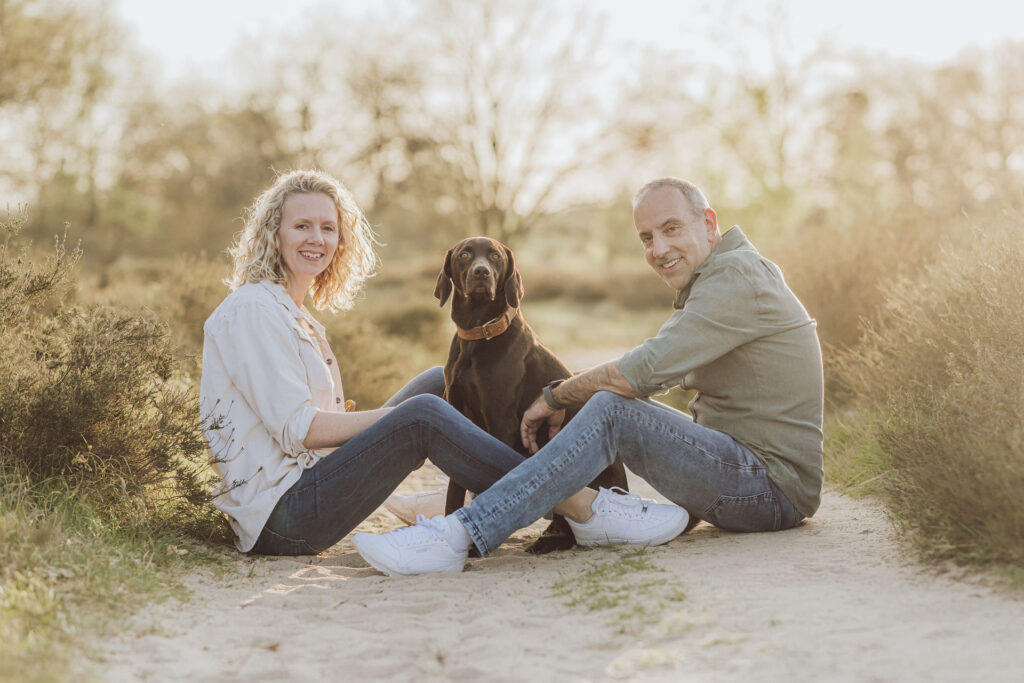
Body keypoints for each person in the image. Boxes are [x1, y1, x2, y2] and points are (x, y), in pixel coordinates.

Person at [351, 177, 824, 576]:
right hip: (741, 473)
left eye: (671, 229)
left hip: (768, 488)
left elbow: (644, 370)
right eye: (646, 238)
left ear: (709, 223)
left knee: (612, 406)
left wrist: (557, 395)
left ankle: (460, 532)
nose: (658, 249)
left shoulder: (735, 280)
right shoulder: (720, 276)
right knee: (607, 405)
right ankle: (577, 510)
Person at [200, 169, 686, 556]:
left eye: (328, 227)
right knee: (423, 414)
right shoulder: (253, 310)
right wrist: (399, 422)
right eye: (301, 225)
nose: (317, 238)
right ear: (273, 233)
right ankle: (582, 506)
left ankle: (513, 500)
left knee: (437, 384)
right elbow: (302, 430)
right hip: (285, 519)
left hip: (309, 486)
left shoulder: (293, 313)